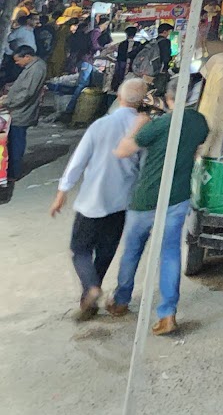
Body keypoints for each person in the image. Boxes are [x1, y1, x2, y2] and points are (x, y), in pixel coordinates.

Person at [110, 81, 209, 334]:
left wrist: (139, 125)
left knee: (132, 250)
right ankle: (167, 313)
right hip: (177, 198)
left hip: (146, 199)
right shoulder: (199, 122)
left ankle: (121, 301)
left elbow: (122, 151)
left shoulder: (158, 125)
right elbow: (198, 148)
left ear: (167, 98)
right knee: (170, 253)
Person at [49, 77, 149, 319]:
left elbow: (78, 161)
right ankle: (90, 298)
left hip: (92, 201)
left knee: (80, 249)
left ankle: (91, 288)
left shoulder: (100, 125)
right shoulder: (143, 128)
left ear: (119, 97)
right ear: (142, 101)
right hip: (122, 201)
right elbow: (145, 166)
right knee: (106, 250)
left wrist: (62, 192)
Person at [2, 47, 49, 186]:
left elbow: (26, 93)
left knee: (16, 142)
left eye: (18, 60)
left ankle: (14, 173)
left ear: (27, 56)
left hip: (22, 111)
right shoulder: (33, 66)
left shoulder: (37, 69)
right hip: (18, 108)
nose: (17, 63)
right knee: (14, 141)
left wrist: (7, 102)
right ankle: (11, 170)